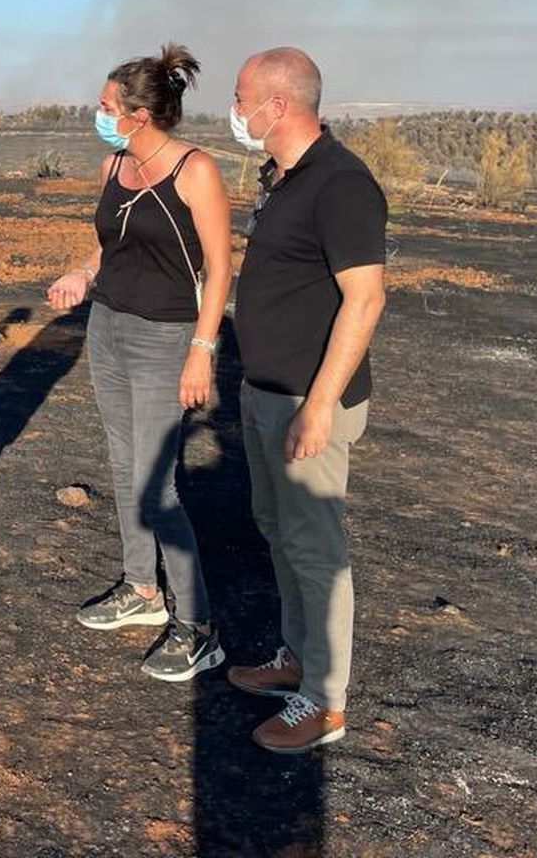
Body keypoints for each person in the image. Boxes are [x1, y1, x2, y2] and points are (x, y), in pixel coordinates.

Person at [47, 43, 233, 682]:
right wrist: (81, 271)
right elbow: (111, 245)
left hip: (165, 338)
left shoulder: (194, 170)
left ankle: (198, 626)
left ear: (139, 114)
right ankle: (142, 592)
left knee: (158, 483)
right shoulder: (113, 165)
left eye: (105, 107)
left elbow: (219, 266)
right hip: (109, 328)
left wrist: (201, 352)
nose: (96, 114)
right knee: (125, 467)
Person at [223, 46, 387, 753]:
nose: (235, 111)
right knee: (277, 528)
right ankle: (296, 657)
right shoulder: (284, 178)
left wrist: (318, 406)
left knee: (316, 548)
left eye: (241, 97)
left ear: (278, 105)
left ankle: (325, 702)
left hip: (306, 401)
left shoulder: (341, 185)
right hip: (265, 391)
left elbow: (365, 297)